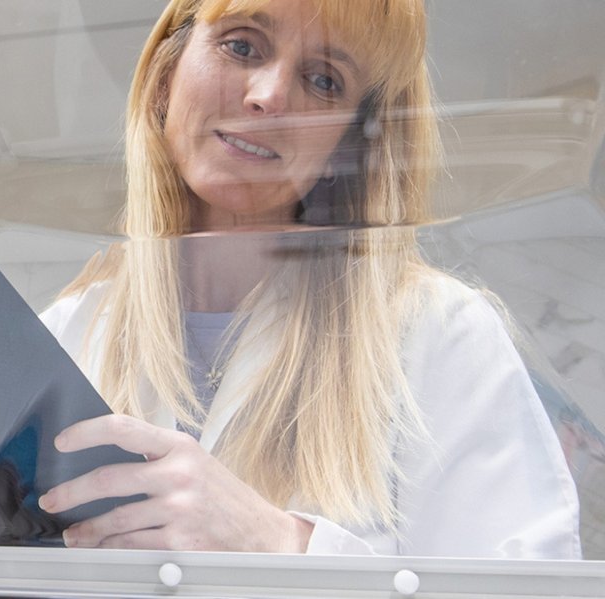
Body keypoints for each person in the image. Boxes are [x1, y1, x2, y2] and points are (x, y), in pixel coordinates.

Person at [31, 0, 583, 557]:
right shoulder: (66, 334)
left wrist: (283, 545)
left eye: (323, 80)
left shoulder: (440, 337)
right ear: (164, 74)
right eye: (241, 46)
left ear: (351, 141)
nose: (269, 96)